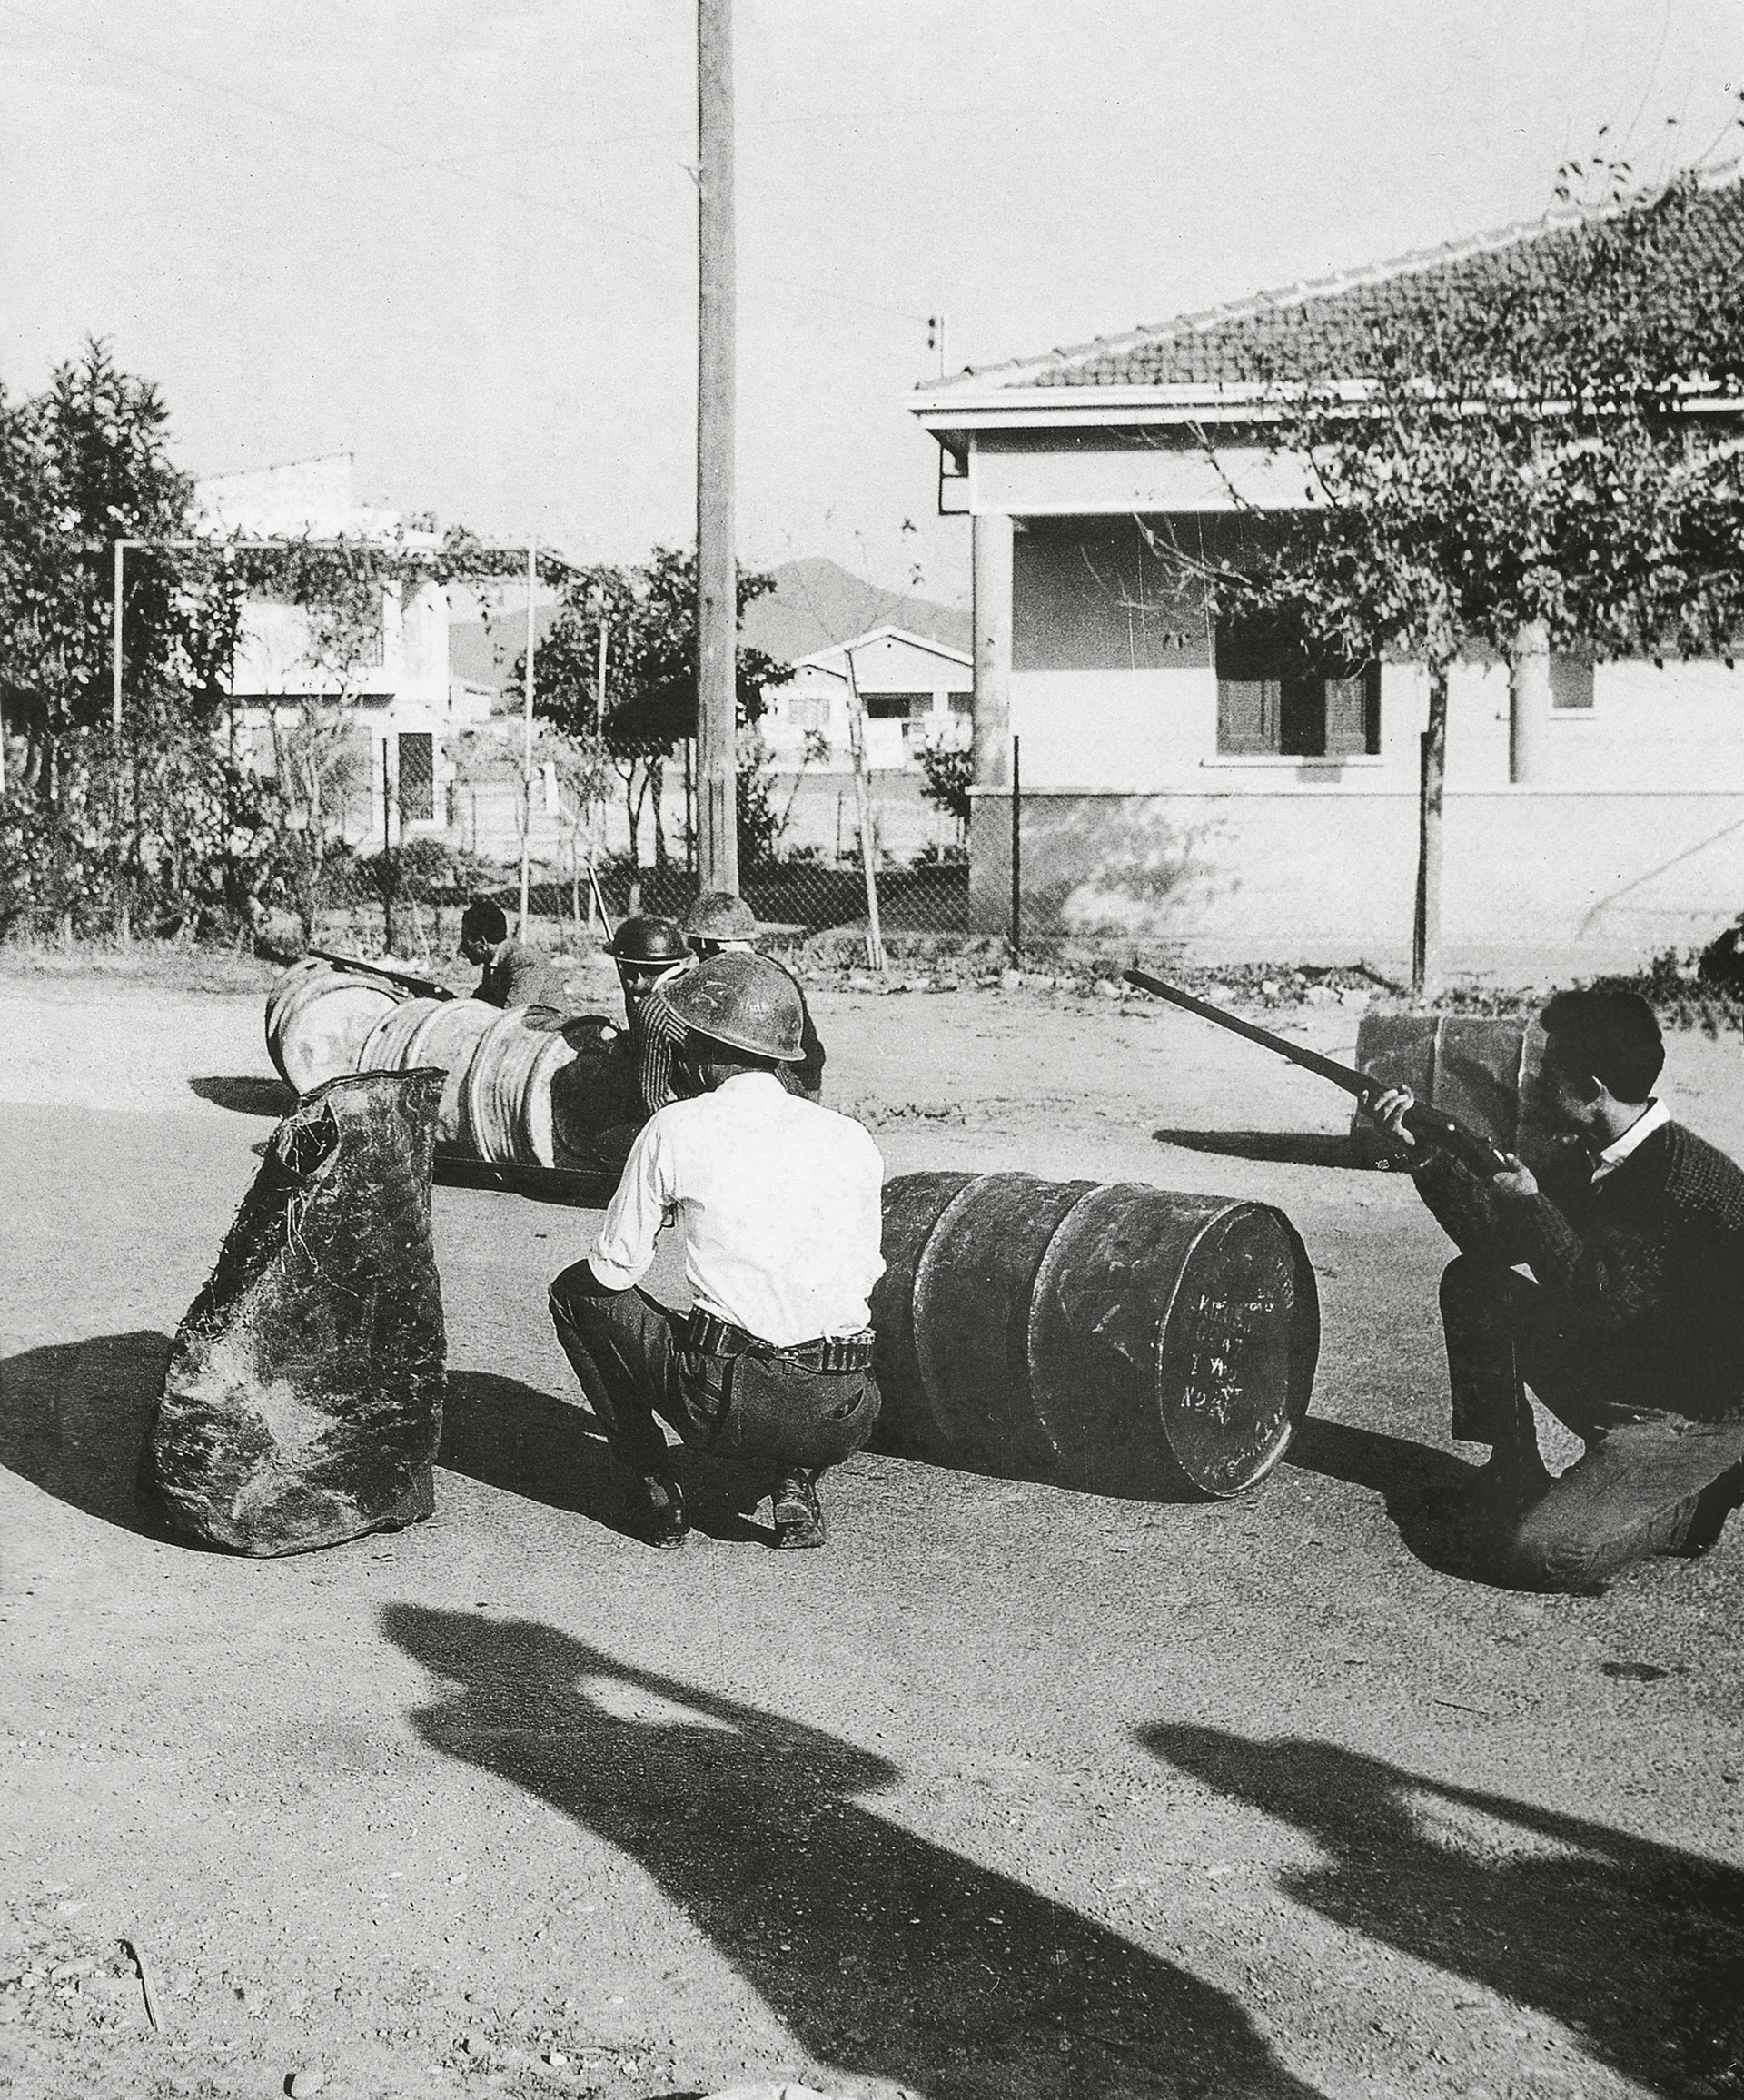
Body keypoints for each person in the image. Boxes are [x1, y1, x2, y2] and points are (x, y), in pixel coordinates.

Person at [1372, 988, 1744, 1590]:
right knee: (1476, 1284)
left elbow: (1597, 1297)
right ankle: (1512, 1471)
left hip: (1690, 1416)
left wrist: (1530, 1201)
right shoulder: (1598, 1152)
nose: (1537, 1084)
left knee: (1547, 1553)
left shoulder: (1680, 1181)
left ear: (1592, 1087)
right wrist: (1425, 1160)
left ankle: (1694, 1506)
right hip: (1624, 1367)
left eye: (1549, 1070)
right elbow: (1493, 1247)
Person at [548, 949, 884, 1551]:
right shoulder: (850, 1137)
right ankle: (794, 1482)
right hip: (845, 1409)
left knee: (575, 1294)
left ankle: (655, 1483)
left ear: (703, 1048)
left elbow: (613, 1266)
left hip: (725, 1405)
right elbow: (863, 1271)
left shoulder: (675, 1127)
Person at [637, 891, 826, 1114]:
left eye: (696, 946)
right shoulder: (771, 970)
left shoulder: (731, 978)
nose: (695, 955)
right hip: (798, 1080)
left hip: (790, 1086)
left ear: (709, 945)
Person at [458, 899, 570, 1011]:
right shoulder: (494, 961)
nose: (462, 947)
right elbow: (480, 1003)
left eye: (465, 940)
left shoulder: (523, 962)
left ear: (482, 942)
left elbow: (514, 1014)